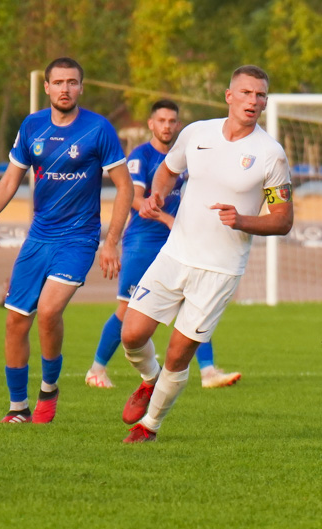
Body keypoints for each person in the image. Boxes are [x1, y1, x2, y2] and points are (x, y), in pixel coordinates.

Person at [0, 57, 134, 423]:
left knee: (49, 312)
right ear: (47, 87)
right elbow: (8, 183)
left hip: (79, 239)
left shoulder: (98, 129)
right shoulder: (31, 126)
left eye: (72, 82)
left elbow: (125, 187)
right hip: (38, 239)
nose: (65, 88)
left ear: (81, 87)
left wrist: (111, 241)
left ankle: (49, 388)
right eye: (58, 82)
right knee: (16, 321)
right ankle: (18, 407)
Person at [119, 65, 293, 443]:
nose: (253, 100)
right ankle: (150, 382)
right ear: (229, 96)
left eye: (260, 95)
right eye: (246, 93)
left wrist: (243, 220)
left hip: (219, 269)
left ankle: (149, 427)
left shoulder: (270, 154)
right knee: (131, 334)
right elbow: (167, 170)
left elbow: (282, 220)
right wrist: (158, 194)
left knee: (178, 356)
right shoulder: (196, 133)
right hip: (175, 254)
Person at [85, 100, 241, 390]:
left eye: (172, 121)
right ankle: (97, 369)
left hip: (179, 238)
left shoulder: (188, 157)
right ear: (151, 125)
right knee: (127, 308)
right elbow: (133, 194)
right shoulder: (141, 156)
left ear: (178, 126)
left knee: (195, 303)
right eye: (162, 121)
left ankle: (208, 372)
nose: (167, 126)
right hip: (143, 240)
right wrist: (153, 208)